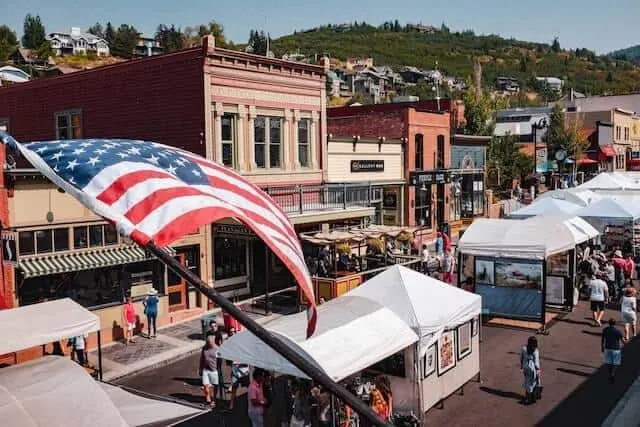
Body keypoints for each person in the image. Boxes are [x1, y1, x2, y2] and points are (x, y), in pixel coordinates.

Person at [602, 318, 626, 383]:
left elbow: (603, 339)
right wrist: (625, 343)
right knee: (616, 363)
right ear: (615, 324)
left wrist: (602, 347)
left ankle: (610, 372)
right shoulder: (618, 331)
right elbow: (622, 340)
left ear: (609, 323)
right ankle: (613, 373)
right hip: (616, 349)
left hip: (608, 348)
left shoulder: (605, 330)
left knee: (608, 362)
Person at [198, 335, 219, 406]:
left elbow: (220, 360)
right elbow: (202, 359)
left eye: (210, 343)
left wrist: (218, 369)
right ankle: (208, 399)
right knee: (205, 385)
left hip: (214, 370)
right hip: (205, 370)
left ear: (213, 342)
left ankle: (214, 399)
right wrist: (200, 369)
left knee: (215, 386)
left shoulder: (217, 349)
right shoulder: (204, 348)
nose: (208, 344)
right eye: (207, 342)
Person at [519, 336, 541, 405]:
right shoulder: (535, 351)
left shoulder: (524, 348)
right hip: (532, 369)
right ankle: (532, 397)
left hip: (526, 367)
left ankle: (527, 396)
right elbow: (536, 362)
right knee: (534, 382)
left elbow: (521, 358)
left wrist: (522, 366)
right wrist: (538, 370)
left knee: (527, 381)